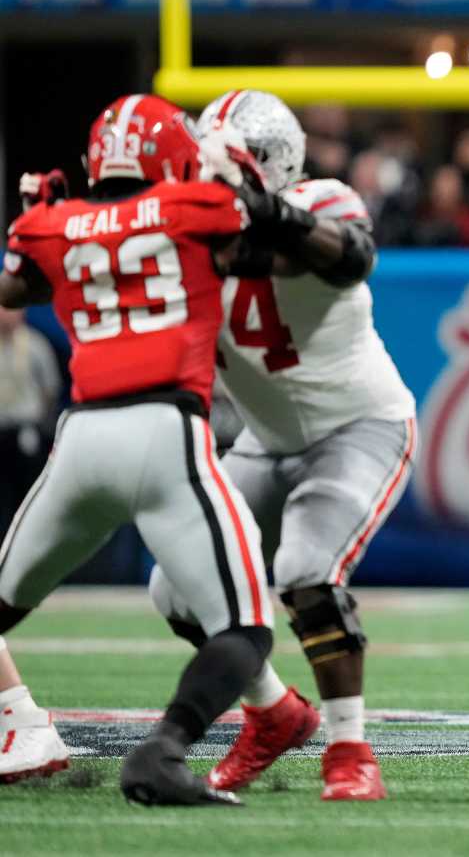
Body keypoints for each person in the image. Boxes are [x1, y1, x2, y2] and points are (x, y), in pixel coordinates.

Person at [0, 93, 282, 805]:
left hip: (83, 441)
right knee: (244, 632)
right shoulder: (198, 204)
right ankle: (162, 752)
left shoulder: (53, 225)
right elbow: (262, 227)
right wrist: (237, 175)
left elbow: (16, 284)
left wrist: (38, 217)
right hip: (165, 433)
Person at [149, 89, 417, 801]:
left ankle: (350, 751)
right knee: (173, 588)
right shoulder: (187, 232)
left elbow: (347, 259)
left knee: (307, 568)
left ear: (272, 163)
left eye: (236, 166)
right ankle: (272, 711)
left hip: (360, 427)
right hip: (266, 445)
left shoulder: (320, 201)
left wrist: (262, 209)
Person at [0, 306, 60, 535]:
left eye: (10, 309)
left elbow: (50, 390)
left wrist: (37, 422)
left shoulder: (36, 345)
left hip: (25, 434)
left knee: (25, 500)